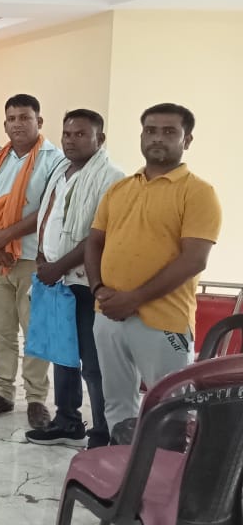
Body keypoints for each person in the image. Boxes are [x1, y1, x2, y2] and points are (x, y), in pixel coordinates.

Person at [86, 103, 221, 437]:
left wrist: (134, 299)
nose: (158, 138)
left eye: (169, 131)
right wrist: (98, 289)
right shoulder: (120, 189)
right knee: (117, 403)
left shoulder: (198, 193)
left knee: (170, 409)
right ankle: (123, 461)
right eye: (150, 130)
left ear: (187, 140)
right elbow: (94, 242)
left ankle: (165, 467)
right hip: (108, 313)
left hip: (164, 322)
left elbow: (194, 259)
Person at [25, 110, 125, 449]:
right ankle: (67, 421)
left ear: (100, 139)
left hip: (86, 282)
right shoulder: (60, 171)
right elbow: (48, 219)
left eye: (80, 134)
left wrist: (58, 266)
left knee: (93, 364)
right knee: (62, 354)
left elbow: (98, 236)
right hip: (55, 280)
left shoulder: (112, 178)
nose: (70, 140)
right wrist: (42, 257)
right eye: (67, 134)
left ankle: (103, 433)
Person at [0, 94, 64, 427]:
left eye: (24, 117)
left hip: (33, 259)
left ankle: (36, 398)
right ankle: (2, 391)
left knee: (36, 332)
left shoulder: (54, 160)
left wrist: (4, 236)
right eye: (11, 118)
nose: (17, 124)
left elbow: (48, 209)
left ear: (39, 121)